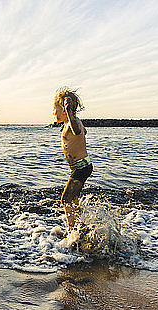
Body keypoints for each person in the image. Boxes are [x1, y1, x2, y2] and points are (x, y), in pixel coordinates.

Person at [53, 87, 93, 231]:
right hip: (80, 167)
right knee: (74, 198)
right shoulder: (70, 123)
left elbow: (76, 131)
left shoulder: (72, 123)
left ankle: (72, 231)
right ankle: (79, 225)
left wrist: (70, 112)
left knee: (66, 199)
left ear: (65, 109)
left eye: (55, 109)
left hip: (81, 167)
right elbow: (83, 131)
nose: (53, 113)